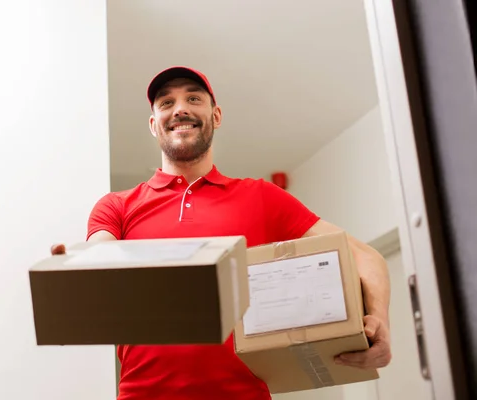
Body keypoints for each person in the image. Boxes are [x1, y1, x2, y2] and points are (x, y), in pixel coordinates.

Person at [51, 66, 392, 400]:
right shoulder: (117, 206)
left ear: (216, 116)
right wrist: (74, 268)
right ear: (154, 125)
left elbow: (365, 257)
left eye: (194, 98)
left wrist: (379, 321)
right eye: (166, 103)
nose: (180, 108)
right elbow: (99, 263)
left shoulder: (261, 196)